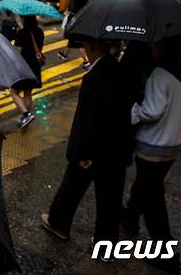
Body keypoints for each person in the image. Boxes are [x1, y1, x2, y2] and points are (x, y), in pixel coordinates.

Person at [41, 39, 134, 244]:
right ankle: (106, 243)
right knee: (110, 197)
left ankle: (58, 224)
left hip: (93, 149)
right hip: (117, 147)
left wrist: (79, 153)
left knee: (71, 188)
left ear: (93, 47)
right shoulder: (123, 71)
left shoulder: (94, 76)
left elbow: (86, 119)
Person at [123, 35, 181, 273]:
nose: (151, 49)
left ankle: (166, 254)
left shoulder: (161, 74)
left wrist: (135, 110)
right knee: (146, 185)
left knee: (153, 198)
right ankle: (131, 218)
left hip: (153, 144)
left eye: (154, 44)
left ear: (161, 46)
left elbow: (151, 112)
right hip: (173, 145)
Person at [10, 15, 44, 129]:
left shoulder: (22, 33)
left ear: (24, 20)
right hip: (34, 66)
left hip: (23, 67)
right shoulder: (40, 32)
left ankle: (26, 114)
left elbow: (18, 52)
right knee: (27, 93)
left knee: (14, 91)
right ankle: (25, 117)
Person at [58, 0, 90, 68]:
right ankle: (65, 54)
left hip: (74, 23)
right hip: (82, 22)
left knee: (78, 42)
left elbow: (70, 11)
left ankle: (86, 61)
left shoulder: (73, 0)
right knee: (72, 40)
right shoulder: (84, 0)